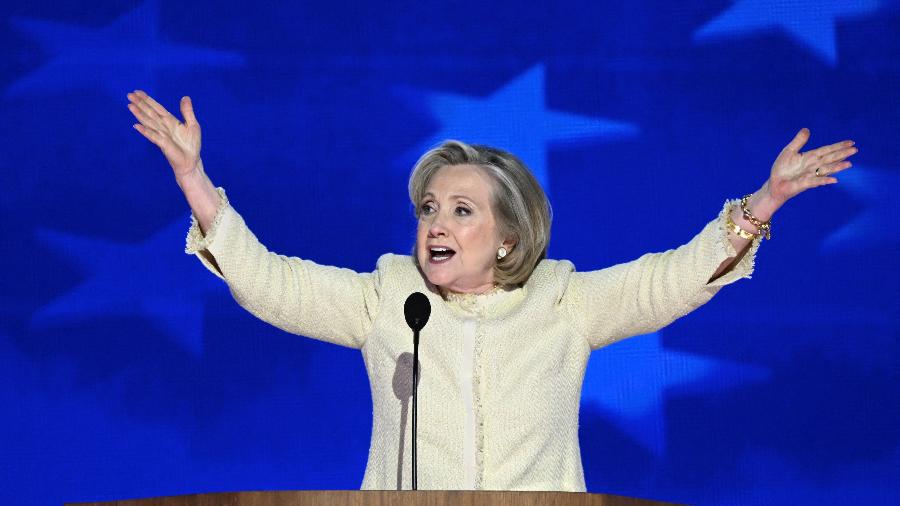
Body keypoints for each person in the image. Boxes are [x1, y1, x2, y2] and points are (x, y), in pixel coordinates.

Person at [126, 90, 857, 491]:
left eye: (461, 210)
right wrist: (194, 179)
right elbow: (269, 284)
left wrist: (762, 203)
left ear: (508, 235)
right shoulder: (388, 298)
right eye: (428, 209)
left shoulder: (563, 301)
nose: (437, 224)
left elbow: (670, 280)